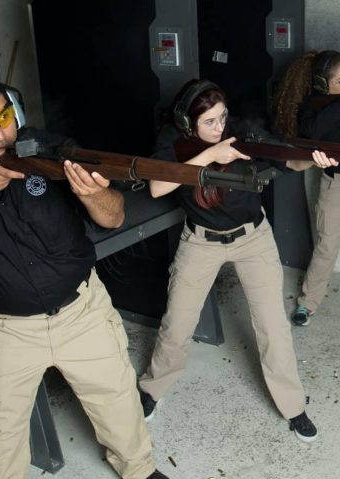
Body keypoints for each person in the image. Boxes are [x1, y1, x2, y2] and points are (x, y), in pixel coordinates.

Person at [0, 68, 180, 479]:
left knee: (117, 399)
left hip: (82, 311)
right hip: (6, 329)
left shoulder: (50, 150)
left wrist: (94, 194)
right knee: (1, 436)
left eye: (4, 117)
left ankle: (139, 471)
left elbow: (114, 217)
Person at [137, 78, 330, 444]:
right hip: (200, 242)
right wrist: (210, 155)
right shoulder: (170, 140)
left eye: (222, 117)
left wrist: (312, 158)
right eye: (209, 122)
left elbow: (286, 158)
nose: (220, 127)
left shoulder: (241, 131)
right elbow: (158, 186)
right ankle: (151, 391)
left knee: (273, 326)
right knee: (177, 323)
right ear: (186, 124)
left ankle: (293, 406)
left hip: (252, 239)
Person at [274, 50, 340, 327]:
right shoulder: (312, 110)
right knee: (327, 244)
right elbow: (314, 133)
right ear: (324, 86)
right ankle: (308, 302)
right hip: (335, 182)